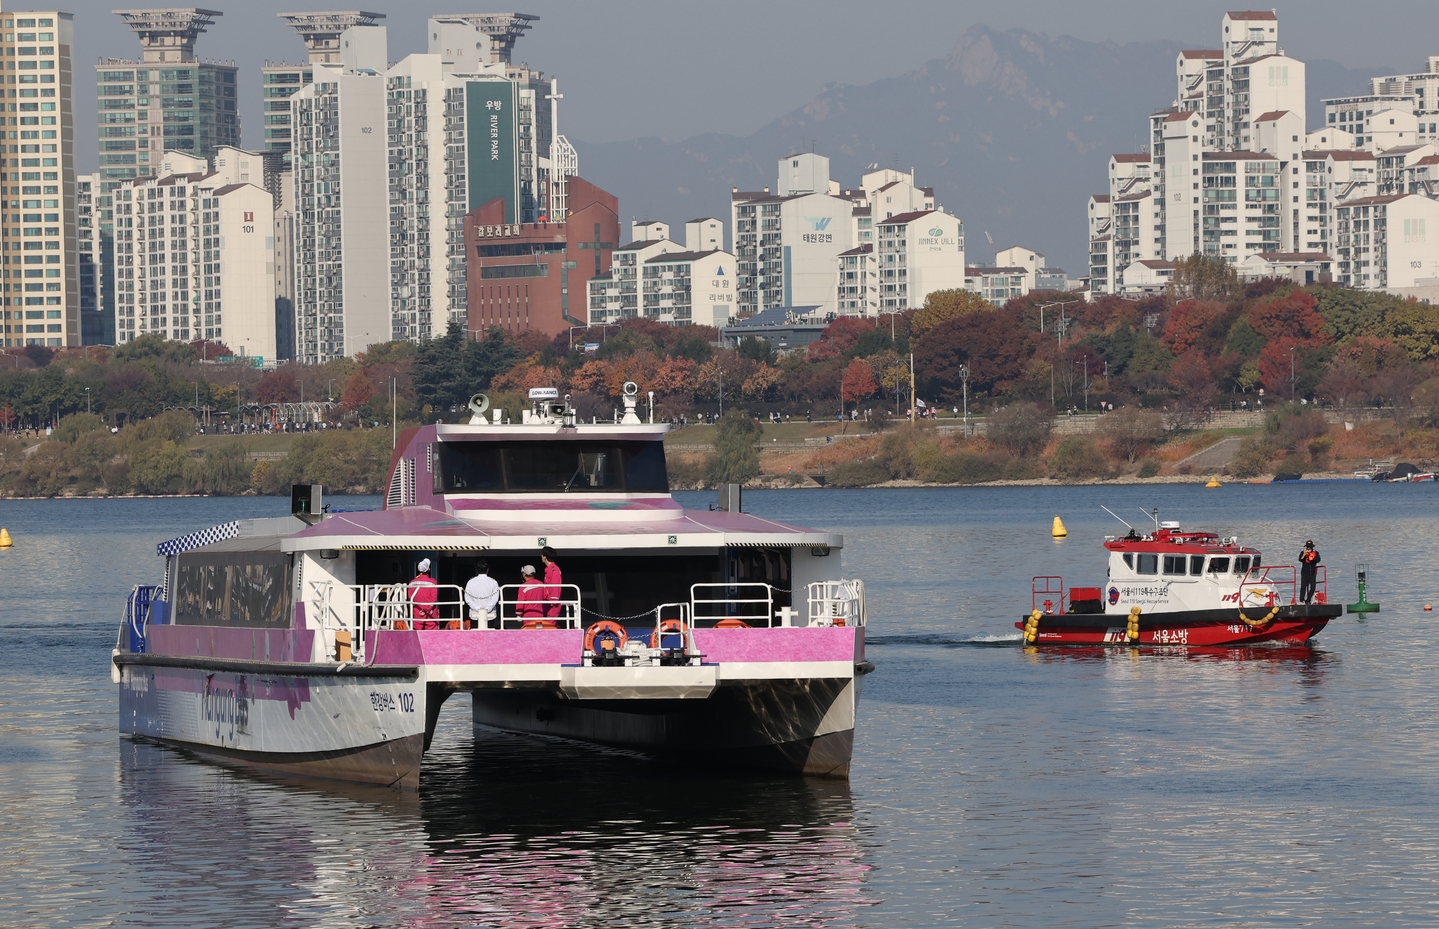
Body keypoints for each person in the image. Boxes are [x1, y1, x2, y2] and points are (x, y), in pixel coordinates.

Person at [463, 560, 500, 629]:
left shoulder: (470, 582)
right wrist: (487, 609)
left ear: (477, 570)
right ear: (487, 570)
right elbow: (495, 599)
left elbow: (467, 598)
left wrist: (477, 608)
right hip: (490, 614)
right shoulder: (493, 582)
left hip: (475, 614)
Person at [408, 558, 440, 630]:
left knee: (417, 636)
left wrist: (420, 610)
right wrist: (426, 610)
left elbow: (411, 599)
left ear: (419, 570)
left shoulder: (412, 583)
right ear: (429, 570)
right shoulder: (433, 582)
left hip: (417, 614)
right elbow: (433, 599)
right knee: (432, 637)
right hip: (430, 615)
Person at [541, 546, 563, 618]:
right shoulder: (548, 570)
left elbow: (556, 586)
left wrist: (553, 601)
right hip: (547, 602)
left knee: (550, 625)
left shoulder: (554, 570)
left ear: (544, 557)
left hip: (552, 604)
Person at [1298, 540, 1322, 604]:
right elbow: (1300, 559)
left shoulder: (1315, 553)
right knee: (1303, 587)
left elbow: (1318, 560)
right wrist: (1304, 554)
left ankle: (1308, 600)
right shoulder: (1303, 552)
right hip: (1305, 573)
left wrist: (1312, 556)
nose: (1308, 549)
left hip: (1312, 573)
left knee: (1313, 587)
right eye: (1307, 547)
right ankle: (1302, 600)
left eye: (1310, 547)